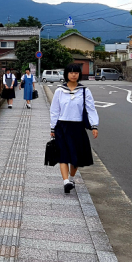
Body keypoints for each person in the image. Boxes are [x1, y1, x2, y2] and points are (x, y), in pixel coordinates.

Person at [50, 63, 99, 194]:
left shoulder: (84, 91)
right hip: (62, 126)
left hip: (77, 127)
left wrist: (94, 126)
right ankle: (66, 182)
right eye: (71, 72)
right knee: (63, 156)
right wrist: (53, 127)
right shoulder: (59, 91)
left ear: (79, 74)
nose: (73, 75)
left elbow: (91, 109)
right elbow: (54, 110)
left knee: (76, 158)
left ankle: (71, 179)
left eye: (76, 73)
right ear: (66, 74)